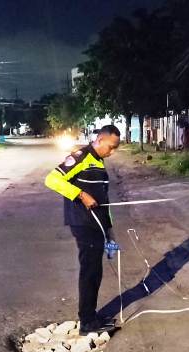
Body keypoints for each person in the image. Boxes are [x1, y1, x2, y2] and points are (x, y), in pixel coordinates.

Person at [45, 125, 121, 334]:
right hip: (83, 223)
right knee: (90, 271)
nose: (112, 152)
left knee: (95, 271)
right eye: (110, 147)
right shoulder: (82, 157)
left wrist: (110, 230)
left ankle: (91, 315)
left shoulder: (98, 161)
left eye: (115, 148)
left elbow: (104, 202)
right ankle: (87, 322)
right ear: (99, 139)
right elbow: (52, 179)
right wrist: (80, 194)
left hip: (96, 224)